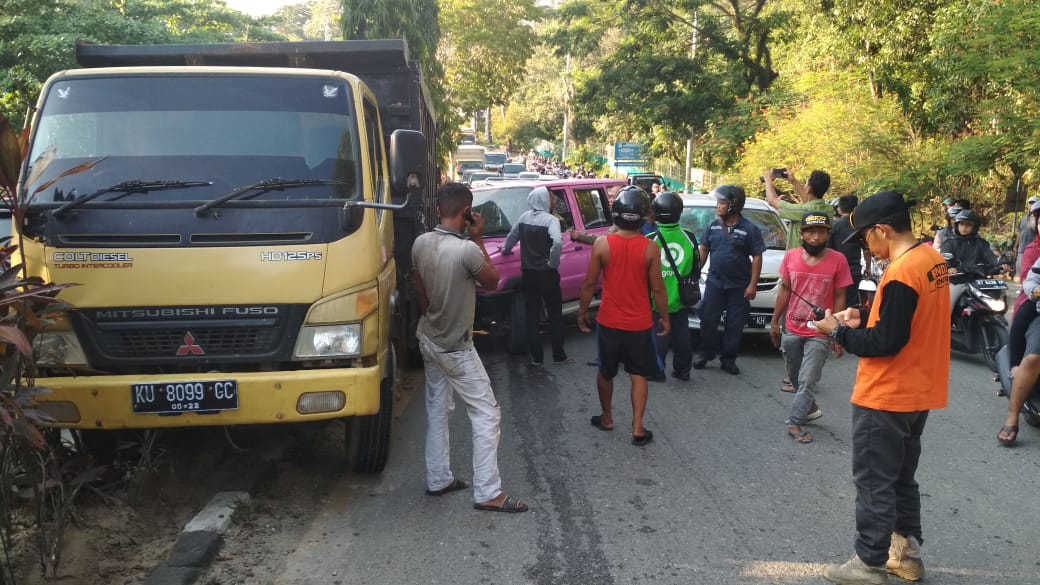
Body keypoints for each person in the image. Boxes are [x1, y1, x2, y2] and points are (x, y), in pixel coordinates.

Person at [813, 191, 950, 584]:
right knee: (901, 478)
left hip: (886, 395)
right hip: (918, 392)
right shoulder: (931, 260)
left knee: (874, 481)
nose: (866, 249)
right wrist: (864, 313)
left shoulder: (901, 271)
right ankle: (904, 555)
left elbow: (885, 343)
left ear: (882, 231)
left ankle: (868, 563)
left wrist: (836, 331)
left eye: (865, 240)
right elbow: (906, 320)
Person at [412, 182, 528, 513]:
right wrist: (478, 237)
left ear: (438, 210)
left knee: (437, 410)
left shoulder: (420, 243)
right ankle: (488, 491)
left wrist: (431, 315)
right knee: (487, 414)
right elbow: (492, 282)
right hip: (455, 347)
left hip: (429, 337)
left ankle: (439, 479)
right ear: (467, 212)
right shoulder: (465, 250)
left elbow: (418, 284)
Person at [577, 186, 670, 446]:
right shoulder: (651, 248)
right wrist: (665, 318)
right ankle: (638, 428)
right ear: (643, 217)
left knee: (606, 372)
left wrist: (582, 313)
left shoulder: (602, 245)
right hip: (639, 324)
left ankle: (607, 418)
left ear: (615, 215)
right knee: (638, 374)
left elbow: (588, 284)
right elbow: (658, 289)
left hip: (609, 322)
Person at [770, 212, 852, 444]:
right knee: (795, 377)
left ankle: (796, 421)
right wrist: (775, 322)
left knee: (808, 379)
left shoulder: (838, 260)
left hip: (820, 331)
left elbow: (840, 296)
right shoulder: (791, 257)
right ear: (802, 234)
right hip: (792, 327)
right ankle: (810, 407)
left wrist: (837, 332)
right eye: (811, 232)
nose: (816, 237)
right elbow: (785, 290)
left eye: (821, 232)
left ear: (828, 234)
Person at [693, 185, 766, 375]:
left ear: (733, 205)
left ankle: (728, 359)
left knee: (734, 323)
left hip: (739, 285)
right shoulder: (713, 225)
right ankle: (706, 353)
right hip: (715, 282)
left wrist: (752, 284)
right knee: (708, 319)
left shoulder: (750, 229)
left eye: (722, 203)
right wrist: (694, 273)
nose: (717, 206)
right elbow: (704, 250)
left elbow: (757, 256)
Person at [501, 186, 573, 365]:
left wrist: (505, 250)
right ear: (545, 201)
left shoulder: (524, 217)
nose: (553, 201)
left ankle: (537, 358)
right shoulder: (551, 221)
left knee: (532, 316)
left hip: (528, 274)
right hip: (547, 275)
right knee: (555, 315)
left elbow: (512, 237)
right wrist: (553, 262)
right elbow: (557, 241)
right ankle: (558, 355)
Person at [645, 192, 700, 382]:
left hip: (655, 300)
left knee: (658, 335)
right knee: (682, 336)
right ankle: (683, 370)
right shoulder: (690, 237)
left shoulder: (650, 238)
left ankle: (656, 370)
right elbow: (696, 269)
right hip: (681, 299)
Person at [940, 209, 1001, 309]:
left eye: (968, 225)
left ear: (974, 227)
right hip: (957, 281)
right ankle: (945, 324)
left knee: (996, 300)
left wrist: (1000, 264)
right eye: (961, 224)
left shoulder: (980, 243)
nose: (964, 227)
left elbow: (990, 257)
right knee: (946, 309)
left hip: (978, 280)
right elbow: (944, 258)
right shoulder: (950, 243)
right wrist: (949, 267)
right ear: (957, 225)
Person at [764, 168, 833, 250]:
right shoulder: (829, 210)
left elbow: (772, 201)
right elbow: (807, 200)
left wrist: (768, 181)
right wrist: (793, 181)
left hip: (798, 259)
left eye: (806, 184)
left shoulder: (803, 211)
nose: (804, 186)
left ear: (809, 189)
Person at [829, 195, 872, 309]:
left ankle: (835, 324)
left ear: (839, 209)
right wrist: (868, 267)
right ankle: (848, 323)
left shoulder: (834, 227)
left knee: (835, 300)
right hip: (854, 270)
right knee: (851, 302)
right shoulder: (859, 226)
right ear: (855, 208)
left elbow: (828, 250)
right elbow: (867, 250)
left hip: (835, 270)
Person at [1016, 195, 1039, 276]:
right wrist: (1016, 246)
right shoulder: (1023, 218)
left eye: (1033, 203)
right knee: (1020, 272)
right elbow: (1019, 232)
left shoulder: (1037, 219)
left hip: (1033, 249)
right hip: (1021, 249)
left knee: (1031, 273)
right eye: (1030, 203)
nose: (1031, 205)